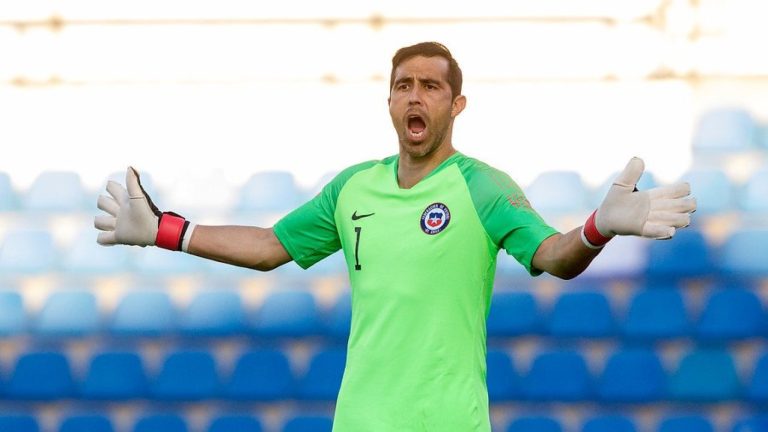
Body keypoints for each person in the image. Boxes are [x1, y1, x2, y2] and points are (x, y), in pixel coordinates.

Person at [94, 42, 696, 431]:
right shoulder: (353, 188)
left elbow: (551, 257)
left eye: (431, 86)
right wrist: (166, 231)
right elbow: (271, 246)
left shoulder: (483, 187)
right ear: (388, 101)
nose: (416, 95)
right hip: (359, 421)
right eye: (404, 84)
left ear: (456, 104)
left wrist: (597, 229)